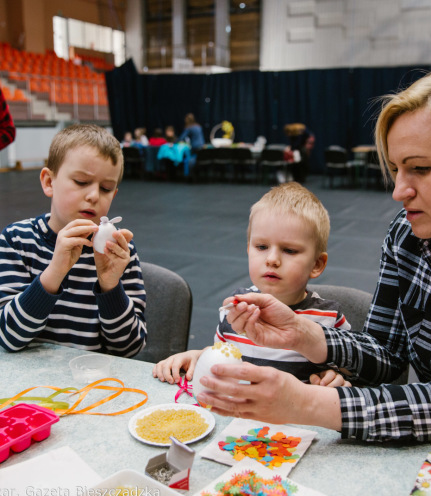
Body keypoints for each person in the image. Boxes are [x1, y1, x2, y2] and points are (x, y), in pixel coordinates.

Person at [193, 67, 431, 443]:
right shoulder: (407, 236)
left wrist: (305, 403)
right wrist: (303, 333)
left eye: (420, 168)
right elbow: (386, 356)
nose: (399, 191)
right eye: (395, 169)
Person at [153, 182, 351, 386]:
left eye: (289, 250)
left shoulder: (328, 318)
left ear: (317, 264)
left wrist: (337, 377)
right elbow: (223, 354)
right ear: (249, 249)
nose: (272, 259)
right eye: (262, 246)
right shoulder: (235, 307)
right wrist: (198, 357)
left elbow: (352, 367)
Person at [0, 124, 147, 356]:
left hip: (93, 384)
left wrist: (110, 287)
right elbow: (8, 337)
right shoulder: (16, 241)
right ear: (49, 182)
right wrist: (54, 273)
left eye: (106, 188)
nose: (93, 196)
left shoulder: (120, 252)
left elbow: (130, 349)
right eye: (81, 182)